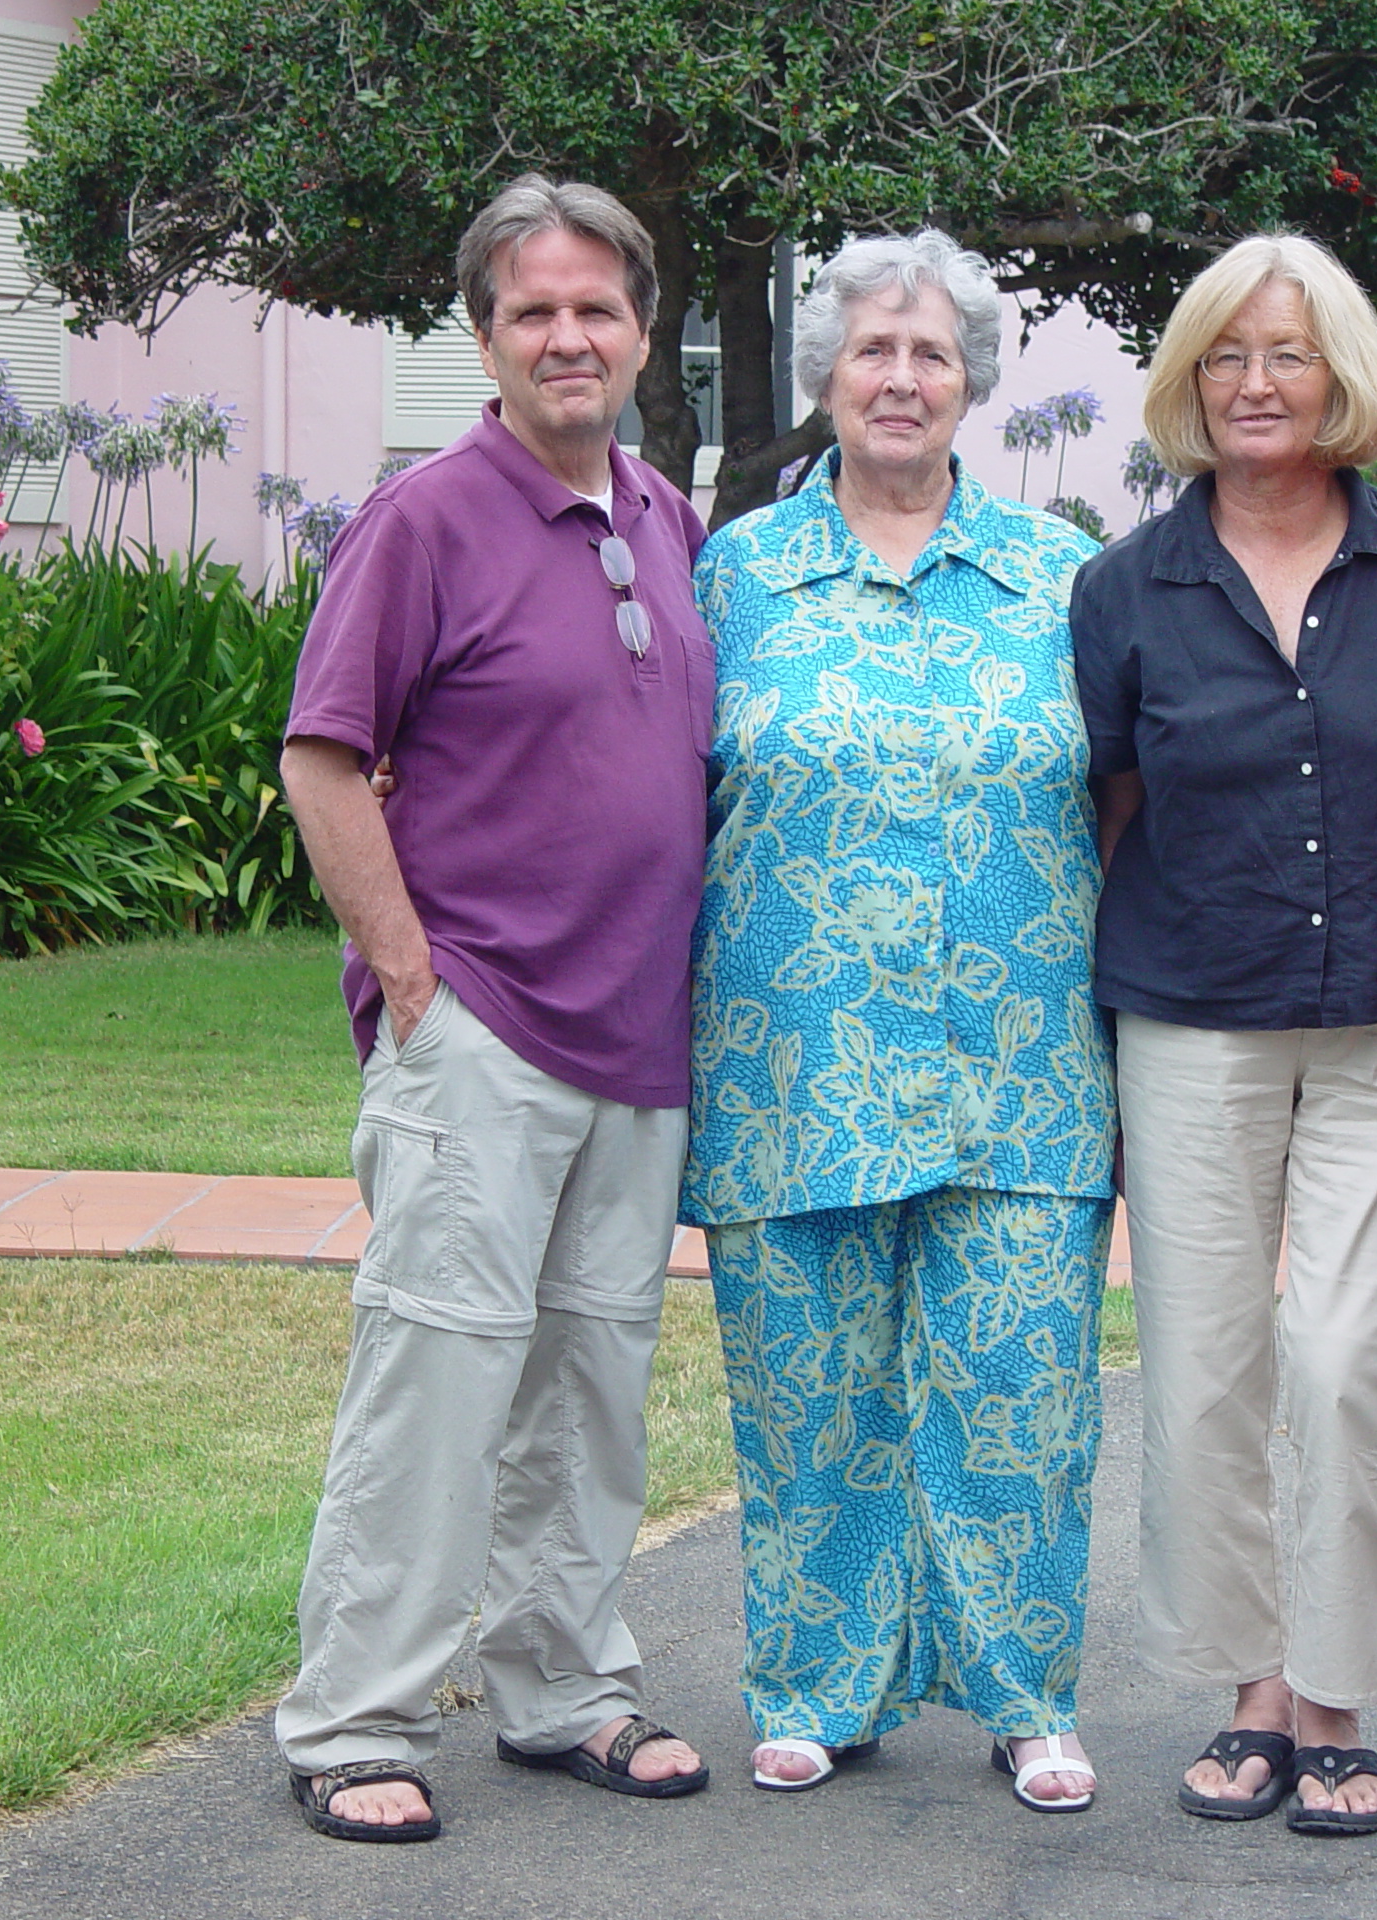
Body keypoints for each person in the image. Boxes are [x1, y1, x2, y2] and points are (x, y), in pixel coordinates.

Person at [273, 175, 714, 1842]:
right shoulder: (427, 519)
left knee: (592, 1388)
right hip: (483, 1033)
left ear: (643, 331)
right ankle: (354, 1720)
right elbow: (325, 758)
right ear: (483, 336)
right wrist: (408, 982)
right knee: (437, 1382)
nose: (568, 337)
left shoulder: (662, 517)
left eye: (596, 308)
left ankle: (565, 1687)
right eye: (532, 310)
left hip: (636, 1044)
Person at [680, 230, 1116, 1815]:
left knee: (1021, 1388)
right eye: (873, 350)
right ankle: (814, 1680)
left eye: (931, 354)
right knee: (809, 1391)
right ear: (826, 374)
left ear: (974, 383)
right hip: (795, 1059)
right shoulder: (735, 574)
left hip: (1024, 1069)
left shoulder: (1063, 577)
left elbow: (1124, 800)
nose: (902, 378)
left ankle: (1026, 1695)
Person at [1070, 233, 1377, 1838]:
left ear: (1344, 376)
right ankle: (1250, 1697)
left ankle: (1339, 1697)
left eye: (1287, 353)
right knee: (1211, 1367)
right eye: (1225, 355)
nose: (1255, 383)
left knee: (1351, 1358)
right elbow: (1109, 802)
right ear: (1187, 380)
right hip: (1192, 1023)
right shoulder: (1126, 588)